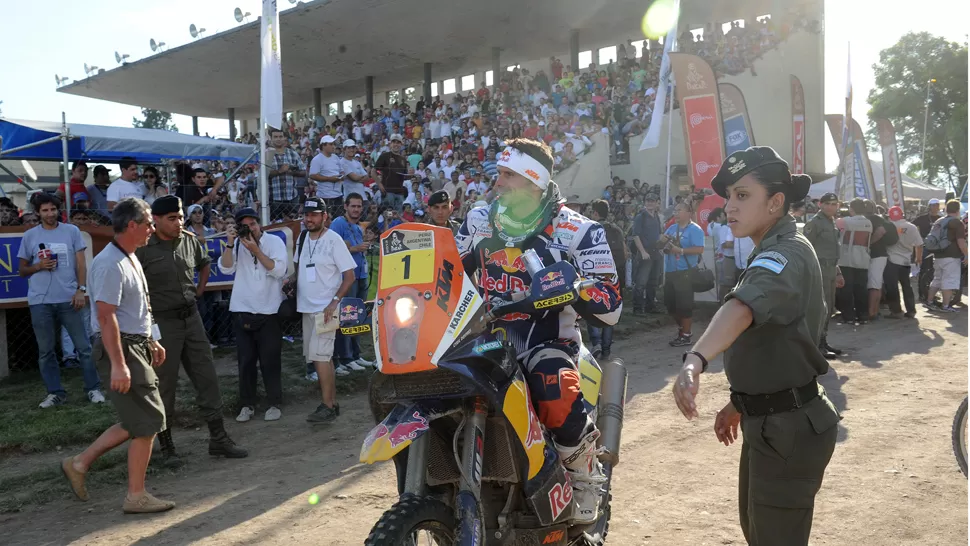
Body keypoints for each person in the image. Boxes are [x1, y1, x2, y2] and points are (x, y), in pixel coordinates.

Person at [672, 147, 840, 545]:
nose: (729, 207)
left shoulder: (784, 254)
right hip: (772, 419)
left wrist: (696, 358)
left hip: (787, 426)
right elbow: (780, 339)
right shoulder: (775, 247)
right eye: (729, 196)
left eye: (743, 195)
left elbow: (743, 309)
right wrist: (742, 402)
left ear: (776, 202)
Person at [455, 138, 622, 523]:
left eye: (507, 175)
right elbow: (448, 270)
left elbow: (611, 305)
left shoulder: (578, 230)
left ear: (534, 181)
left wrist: (577, 286)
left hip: (549, 342)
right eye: (498, 174)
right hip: (485, 341)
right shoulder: (479, 221)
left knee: (553, 382)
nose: (498, 183)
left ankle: (582, 476)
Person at [60, 197, 175, 513]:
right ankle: (134, 495)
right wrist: (120, 365)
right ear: (133, 225)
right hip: (121, 348)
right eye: (149, 223)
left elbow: (137, 307)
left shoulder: (130, 257)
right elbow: (106, 316)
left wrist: (152, 339)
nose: (153, 228)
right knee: (148, 420)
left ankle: (80, 464)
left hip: (135, 344)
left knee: (138, 419)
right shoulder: (110, 263)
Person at [135, 195, 248, 467]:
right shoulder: (142, 248)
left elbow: (204, 263)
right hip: (162, 323)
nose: (178, 223)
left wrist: (198, 291)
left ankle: (218, 438)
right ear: (156, 220)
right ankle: (166, 446)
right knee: (164, 384)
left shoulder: (188, 240)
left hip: (191, 318)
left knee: (207, 376)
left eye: (181, 217)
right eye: (172, 218)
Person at [18, 193, 103, 408]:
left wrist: (80, 290)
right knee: (46, 352)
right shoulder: (30, 236)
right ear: (37, 212)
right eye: (45, 210)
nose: (50, 214)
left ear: (59, 210)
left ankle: (94, 389)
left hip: (69, 298)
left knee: (83, 347)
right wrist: (38, 266)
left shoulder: (71, 231)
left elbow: (81, 264)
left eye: (53, 209)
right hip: (40, 301)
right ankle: (55, 393)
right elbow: (22, 270)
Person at [289, 197, 357, 424]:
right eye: (307, 215)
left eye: (315, 214)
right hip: (306, 307)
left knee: (320, 358)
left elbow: (350, 276)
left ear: (324, 216)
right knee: (320, 357)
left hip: (326, 308)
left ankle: (327, 405)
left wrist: (334, 301)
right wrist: (290, 281)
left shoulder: (334, 240)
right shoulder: (302, 238)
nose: (309, 219)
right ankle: (332, 403)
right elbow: (300, 268)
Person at [219, 208, 288, 422]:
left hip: (269, 309)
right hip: (242, 307)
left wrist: (257, 250)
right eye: (244, 225)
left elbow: (278, 270)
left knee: (270, 360)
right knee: (246, 360)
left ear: (260, 225)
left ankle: (274, 402)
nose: (250, 228)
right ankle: (247, 404)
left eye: (253, 224)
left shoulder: (274, 242)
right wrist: (230, 243)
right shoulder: (238, 242)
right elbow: (226, 269)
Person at [329, 193, 375, 375]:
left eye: (359, 206)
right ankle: (345, 357)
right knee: (347, 317)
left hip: (360, 274)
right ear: (346, 206)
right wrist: (355, 248)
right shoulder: (338, 224)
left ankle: (355, 355)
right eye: (353, 206)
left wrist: (364, 245)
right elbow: (333, 247)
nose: (356, 209)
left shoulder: (357, 226)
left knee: (358, 316)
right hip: (348, 277)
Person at [803, 192, 844, 358]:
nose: (831, 207)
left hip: (831, 269)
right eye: (828, 204)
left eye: (834, 204)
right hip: (819, 270)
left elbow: (833, 251)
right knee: (820, 308)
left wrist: (838, 272)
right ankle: (816, 346)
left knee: (829, 307)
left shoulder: (831, 222)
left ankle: (823, 341)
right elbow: (805, 247)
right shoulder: (815, 223)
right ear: (821, 204)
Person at [661, 202, 705, 347]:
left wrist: (680, 251)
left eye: (679, 210)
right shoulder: (672, 228)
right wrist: (662, 243)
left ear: (689, 213)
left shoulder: (695, 229)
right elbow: (661, 245)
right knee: (670, 304)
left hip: (685, 272)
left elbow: (699, 249)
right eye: (675, 210)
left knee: (684, 305)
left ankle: (686, 335)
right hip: (671, 271)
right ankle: (682, 329)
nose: (676, 213)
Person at [586, 199, 626, 359]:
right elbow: (624, 252)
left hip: (594, 275)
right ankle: (606, 348)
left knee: (591, 308)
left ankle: (595, 343)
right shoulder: (616, 229)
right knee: (611, 309)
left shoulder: (590, 228)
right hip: (613, 275)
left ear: (595, 213)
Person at [924, 199, 968, 313]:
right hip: (951, 256)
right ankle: (945, 306)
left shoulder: (939, 220)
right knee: (949, 281)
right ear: (958, 210)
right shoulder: (957, 223)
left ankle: (929, 302)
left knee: (937, 279)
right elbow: (961, 242)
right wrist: (967, 255)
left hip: (938, 255)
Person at [836, 198, 872, 324]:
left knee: (846, 288)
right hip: (863, 259)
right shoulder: (868, 223)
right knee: (861, 288)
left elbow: (835, 228)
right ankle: (863, 316)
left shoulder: (844, 221)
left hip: (846, 259)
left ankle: (848, 316)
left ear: (851, 208)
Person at [884, 205, 922, 318]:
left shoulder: (889, 226)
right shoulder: (912, 227)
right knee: (907, 286)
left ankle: (896, 311)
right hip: (906, 261)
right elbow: (919, 244)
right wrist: (918, 258)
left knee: (892, 287)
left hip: (891, 260)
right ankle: (911, 310)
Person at [631, 193, 663, 314]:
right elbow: (635, 235)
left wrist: (661, 246)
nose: (650, 203)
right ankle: (637, 308)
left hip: (655, 253)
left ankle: (650, 306)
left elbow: (659, 233)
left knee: (653, 281)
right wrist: (643, 252)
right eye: (648, 201)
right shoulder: (641, 216)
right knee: (641, 282)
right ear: (645, 202)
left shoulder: (656, 216)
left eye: (652, 201)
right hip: (645, 254)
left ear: (656, 203)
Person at [864, 200, 895, 320]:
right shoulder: (879, 218)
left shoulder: (874, 219)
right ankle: (874, 311)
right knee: (876, 284)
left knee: (873, 285)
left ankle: (872, 312)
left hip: (876, 255)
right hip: (880, 255)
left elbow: (881, 232)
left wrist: (869, 244)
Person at [266, 128, 308, 219]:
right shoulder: (266, 155)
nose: (278, 139)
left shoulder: (293, 154)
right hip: (274, 199)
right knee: (275, 226)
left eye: (280, 136)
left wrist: (292, 172)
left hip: (292, 198)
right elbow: (263, 175)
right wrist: (279, 171)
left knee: (293, 226)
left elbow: (303, 172)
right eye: (275, 137)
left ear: (285, 138)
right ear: (271, 138)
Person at [913, 198, 942, 302]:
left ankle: (932, 293)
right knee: (924, 270)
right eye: (933, 205)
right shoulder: (922, 218)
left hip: (938, 248)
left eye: (937, 205)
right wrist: (916, 240)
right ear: (929, 206)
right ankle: (922, 294)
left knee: (935, 271)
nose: (935, 207)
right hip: (925, 247)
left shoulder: (941, 218)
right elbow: (911, 227)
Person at [707, 207, 737, 302]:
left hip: (718, 256)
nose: (725, 217)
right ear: (718, 217)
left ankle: (721, 302)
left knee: (723, 282)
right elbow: (725, 244)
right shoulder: (722, 227)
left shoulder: (711, 225)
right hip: (724, 257)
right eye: (723, 215)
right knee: (725, 284)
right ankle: (721, 303)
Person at [309, 135, 345, 214]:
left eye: (333, 144)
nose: (333, 146)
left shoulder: (335, 157)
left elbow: (341, 171)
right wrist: (330, 179)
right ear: (324, 146)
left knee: (338, 218)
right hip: (325, 196)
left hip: (338, 194)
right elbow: (312, 175)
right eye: (331, 144)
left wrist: (341, 176)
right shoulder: (317, 159)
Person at [373, 133, 409, 210]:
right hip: (388, 191)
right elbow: (373, 171)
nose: (396, 144)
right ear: (390, 144)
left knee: (398, 218)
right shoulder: (385, 156)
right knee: (388, 216)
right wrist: (379, 184)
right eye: (394, 142)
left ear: (401, 144)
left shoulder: (403, 159)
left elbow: (404, 175)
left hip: (400, 193)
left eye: (398, 142)